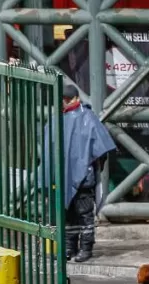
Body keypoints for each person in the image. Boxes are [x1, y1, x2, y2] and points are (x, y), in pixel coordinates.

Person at [48, 84, 116, 263]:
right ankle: (70, 248)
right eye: (64, 99)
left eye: (67, 99)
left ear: (75, 98)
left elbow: (100, 148)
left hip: (84, 179)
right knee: (68, 215)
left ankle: (86, 248)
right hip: (68, 176)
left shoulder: (86, 117)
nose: (65, 102)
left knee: (84, 214)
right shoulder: (60, 119)